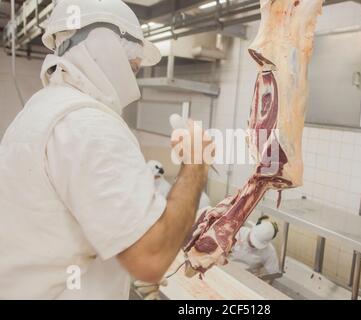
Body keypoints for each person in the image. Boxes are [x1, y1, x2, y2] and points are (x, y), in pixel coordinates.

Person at [0, 0, 213, 299]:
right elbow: (150, 259)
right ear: (105, 45)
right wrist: (196, 164)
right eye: (132, 66)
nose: (133, 75)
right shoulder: (90, 124)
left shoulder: (42, 109)